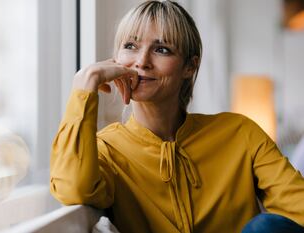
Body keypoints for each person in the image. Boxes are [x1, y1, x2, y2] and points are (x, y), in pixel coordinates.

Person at [49, 1, 304, 232]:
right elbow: (73, 190)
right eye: (130, 46)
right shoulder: (107, 150)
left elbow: (298, 209)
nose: (142, 61)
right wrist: (85, 87)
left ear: (189, 67)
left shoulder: (240, 133)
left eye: (161, 49)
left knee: (266, 227)